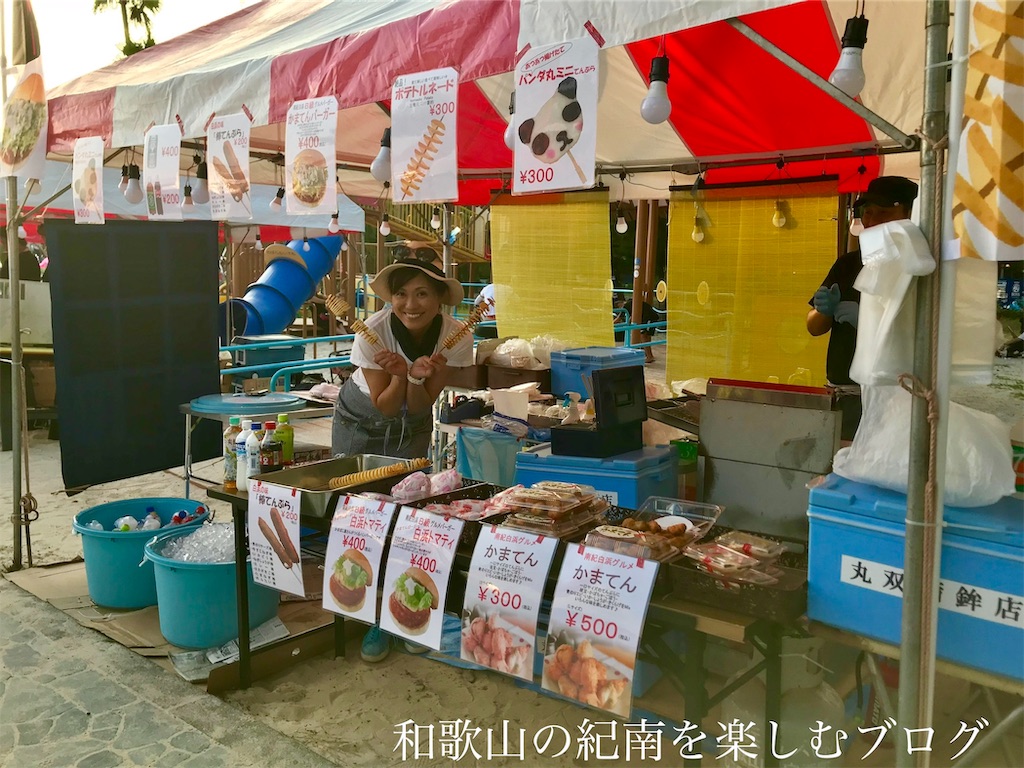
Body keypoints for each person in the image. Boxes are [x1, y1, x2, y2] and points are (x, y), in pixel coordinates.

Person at [330, 252, 472, 664]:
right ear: (390, 299)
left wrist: (413, 377)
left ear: (441, 298)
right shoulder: (372, 334)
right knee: (363, 513)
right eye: (402, 294)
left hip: (414, 421)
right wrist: (398, 373)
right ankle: (371, 614)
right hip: (361, 420)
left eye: (423, 293)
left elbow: (424, 401)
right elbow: (386, 407)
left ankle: (408, 605)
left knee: (410, 512)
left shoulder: (456, 336)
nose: (412, 304)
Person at [806, 175, 918, 440]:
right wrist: (824, 309)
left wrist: (868, 322)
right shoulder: (848, 265)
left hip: (896, 394)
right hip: (845, 393)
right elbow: (813, 327)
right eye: (868, 213)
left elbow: (919, 335)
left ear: (911, 215)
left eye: (884, 213)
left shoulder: (918, 268)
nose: (873, 221)